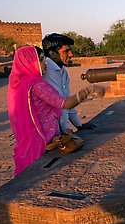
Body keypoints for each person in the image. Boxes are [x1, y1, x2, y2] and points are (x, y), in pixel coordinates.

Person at [7, 45, 103, 176]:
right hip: (43, 140)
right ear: (29, 62)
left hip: (29, 140)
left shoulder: (20, 84)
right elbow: (64, 104)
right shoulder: (37, 85)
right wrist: (88, 91)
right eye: (40, 60)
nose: (45, 63)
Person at [42, 32, 95, 134]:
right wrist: (66, 131)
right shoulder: (48, 70)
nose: (71, 55)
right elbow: (61, 104)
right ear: (53, 53)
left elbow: (67, 99)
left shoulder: (62, 70)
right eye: (66, 51)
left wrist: (79, 125)